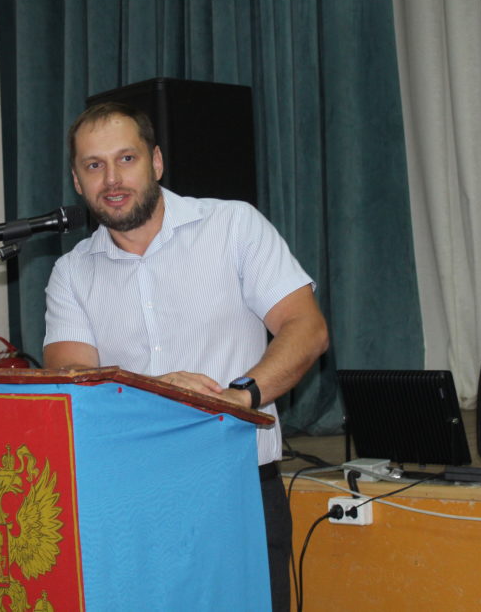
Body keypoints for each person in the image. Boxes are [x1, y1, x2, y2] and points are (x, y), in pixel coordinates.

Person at [43, 101, 330, 611]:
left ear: (156, 162)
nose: (112, 179)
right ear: (77, 181)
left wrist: (241, 397)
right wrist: (159, 392)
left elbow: (307, 329)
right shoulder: (72, 272)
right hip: (130, 502)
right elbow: (74, 384)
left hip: (237, 490)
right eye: (94, 165)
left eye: (126, 159)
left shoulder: (233, 225)